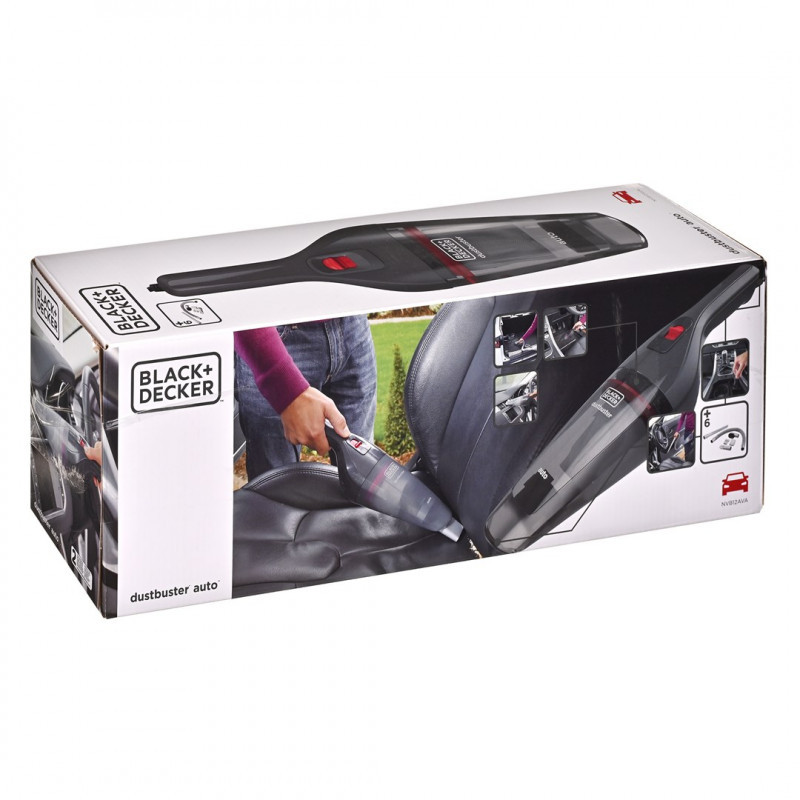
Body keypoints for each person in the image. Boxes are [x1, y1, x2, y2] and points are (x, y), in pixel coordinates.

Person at [234, 317, 377, 480]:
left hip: (353, 325)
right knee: (277, 489)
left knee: (365, 479)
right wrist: (283, 383)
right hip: (274, 336)